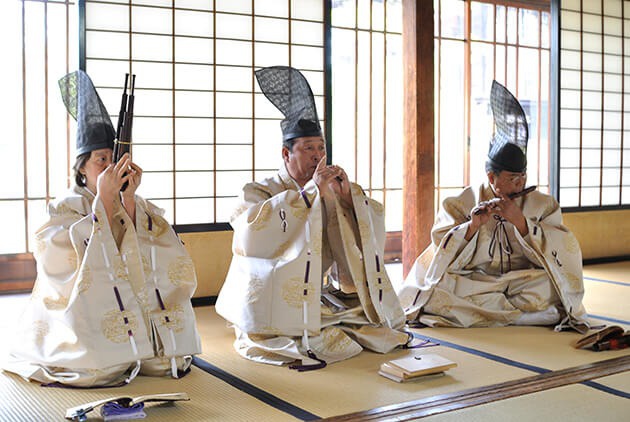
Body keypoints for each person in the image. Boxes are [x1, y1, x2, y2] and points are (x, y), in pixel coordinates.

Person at [3, 70, 201, 387]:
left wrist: (129, 202)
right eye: (101, 159)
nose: (111, 167)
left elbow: (161, 255)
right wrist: (106, 205)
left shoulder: (134, 201)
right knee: (100, 370)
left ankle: (143, 345)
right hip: (83, 318)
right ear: (82, 166)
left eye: (117, 158)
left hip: (137, 315)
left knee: (166, 363)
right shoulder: (65, 206)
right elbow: (62, 264)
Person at [215, 66, 408, 370]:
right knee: (304, 338)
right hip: (271, 297)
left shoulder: (330, 189)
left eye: (321, 148)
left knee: (368, 324)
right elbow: (251, 237)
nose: (318, 156)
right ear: (285, 154)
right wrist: (306, 196)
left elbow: (371, 224)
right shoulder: (259, 191)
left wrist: (347, 200)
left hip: (316, 293)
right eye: (308, 149)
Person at [398, 81, 589, 332]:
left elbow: (564, 252)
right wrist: (472, 226)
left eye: (523, 177)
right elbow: (440, 250)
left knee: (551, 285)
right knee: (437, 290)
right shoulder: (462, 202)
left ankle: (491, 314)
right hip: (476, 280)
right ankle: (524, 317)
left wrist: (521, 223)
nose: (520, 184)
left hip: (523, 280)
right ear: (491, 177)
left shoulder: (543, 205)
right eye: (512, 179)